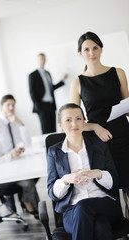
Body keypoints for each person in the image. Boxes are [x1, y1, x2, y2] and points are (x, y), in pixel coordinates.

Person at [47, 103, 123, 240]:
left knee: (84, 206)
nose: (74, 124)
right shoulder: (54, 152)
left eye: (78, 118)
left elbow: (115, 181)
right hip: (72, 212)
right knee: (100, 226)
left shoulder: (99, 145)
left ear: (84, 122)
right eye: (68, 120)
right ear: (60, 125)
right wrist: (66, 179)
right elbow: (52, 193)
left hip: (105, 203)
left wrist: (98, 173)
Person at [70, 31, 129, 190]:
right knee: (109, 190)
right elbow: (74, 122)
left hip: (124, 136)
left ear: (101, 49)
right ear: (80, 53)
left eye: (95, 48)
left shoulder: (118, 73)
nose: (91, 53)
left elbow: (127, 107)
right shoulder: (77, 83)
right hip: (98, 142)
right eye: (86, 50)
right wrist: (95, 126)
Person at [28, 53, 68, 134]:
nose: (43, 61)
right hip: (42, 106)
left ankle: (53, 146)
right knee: (46, 130)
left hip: (51, 105)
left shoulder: (48, 73)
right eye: (41, 59)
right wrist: (38, 107)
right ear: (37, 61)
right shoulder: (33, 75)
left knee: (53, 129)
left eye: (44, 59)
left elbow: (51, 88)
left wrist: (62, 80)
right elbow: (32, 92)